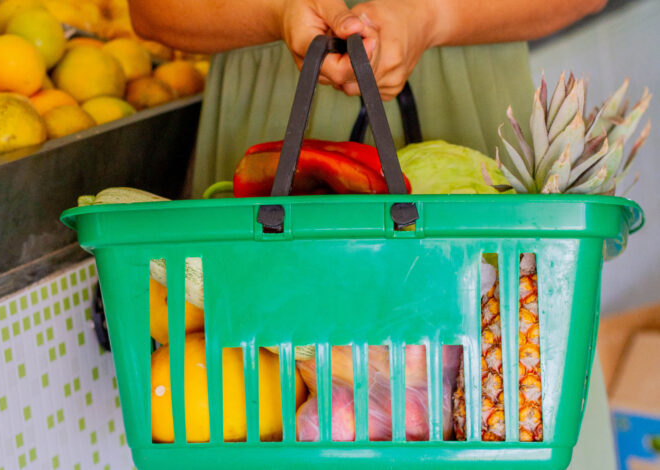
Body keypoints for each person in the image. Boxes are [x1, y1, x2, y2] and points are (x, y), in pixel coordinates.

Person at [128, 1, 616, 468]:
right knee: (251, 409)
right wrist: (273, 11)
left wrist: (435, 15)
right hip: (272, 98)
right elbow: (150, 11)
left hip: (467, 60)